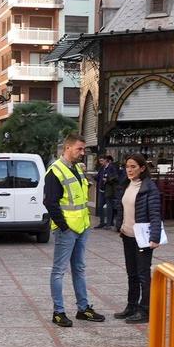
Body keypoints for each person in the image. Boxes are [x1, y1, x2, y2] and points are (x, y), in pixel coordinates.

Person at [46, 134, 104, 328]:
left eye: (83, 149)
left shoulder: (77, 169)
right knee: (59, 271)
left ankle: (83, 308)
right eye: (79, 149)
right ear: (67, 148)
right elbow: (50, 202)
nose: (82, 153)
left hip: (82, 227)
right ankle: (58, 312)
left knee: (79, 268)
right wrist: (63, 226)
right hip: (67, 230)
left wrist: (85, 224)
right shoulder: (55, 171)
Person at [116, 153, 164, 324]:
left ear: (142, 168)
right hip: (127, 235)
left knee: (143, 274)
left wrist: (155, 237)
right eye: (127, 167)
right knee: (132, 274)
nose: (129, 170)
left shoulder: (149, 188)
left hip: (143, 238)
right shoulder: (126, 185)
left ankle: (145, 310)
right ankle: (131, 305)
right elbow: (121, 207)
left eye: (133, 167)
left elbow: (155, 214)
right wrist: (119, 225)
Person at [94, 153, 122, 228]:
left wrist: (108, 179)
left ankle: (109, 224)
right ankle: (102, 222)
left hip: (109, 190)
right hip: (101, 189)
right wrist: (95, 177)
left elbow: (116, 177)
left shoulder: (112, 167)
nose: (101, 162)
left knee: (109, 207)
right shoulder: (101, 168)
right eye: (100, 161)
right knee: (100, 206)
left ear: (106, 160)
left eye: (102, 161)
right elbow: (98, 176)